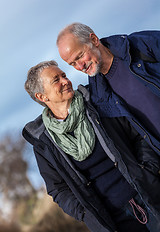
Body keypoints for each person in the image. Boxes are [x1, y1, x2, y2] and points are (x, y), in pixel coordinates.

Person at [22, 60, 160, 232]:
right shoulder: (44, 143)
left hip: (150, 195)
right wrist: (85, 213)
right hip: (113, 221)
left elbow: (138, 135)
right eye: (56, 80)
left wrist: (149, 170)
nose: (65, 81)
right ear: (42, 97)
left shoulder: (97, 103)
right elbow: (58, 189)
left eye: (63, 75)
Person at [57, 23, 160, 157]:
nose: (80, 66)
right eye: (72, 64)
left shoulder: (140, 45)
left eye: (80, 56)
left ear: (94, 40)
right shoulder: (99, 97)